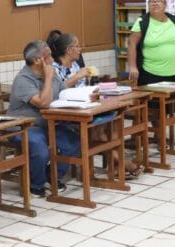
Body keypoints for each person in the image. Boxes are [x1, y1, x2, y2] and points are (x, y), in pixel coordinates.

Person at [48, 31, 142, 179]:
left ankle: (118, 165)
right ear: (68, 50)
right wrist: (77, 77)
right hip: (65, 114)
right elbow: (56, 92)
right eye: (77, 46)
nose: (80, 49)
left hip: (84, 107)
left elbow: (82, 89)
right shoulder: (53, 69)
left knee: (111, 123)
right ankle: (124, 163)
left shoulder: (75, 66)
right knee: (98, 133)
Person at [6, 40, 81, 197]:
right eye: (49, 57)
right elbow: (44, 104)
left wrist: (85, 96)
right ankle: (36, 184)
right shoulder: (23, 79)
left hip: (48, 123)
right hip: (24, 127)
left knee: (74, 142)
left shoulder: (51, 74)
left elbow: (64, 91)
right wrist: (47, 78)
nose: (53, 60)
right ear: (37, 60)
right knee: (40, 149)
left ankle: (51, 176)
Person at [127, 0, 175, 85]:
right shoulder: (142, 22)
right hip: (150, 74)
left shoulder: (173, 20)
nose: (155, 3)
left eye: (159, 1)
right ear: (148, 5)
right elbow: (131, 44)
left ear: (165, 4)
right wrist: (132, 67)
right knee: (153, 100)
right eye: (152, 1)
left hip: (174, 74)